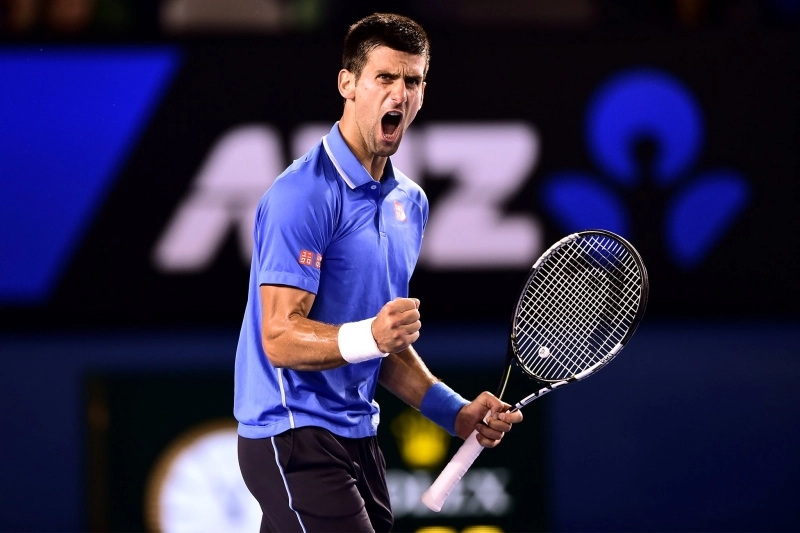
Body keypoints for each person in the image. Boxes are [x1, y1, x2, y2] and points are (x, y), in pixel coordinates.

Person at [234, 12, 523, 533]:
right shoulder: (301, 195)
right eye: (384, 78)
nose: (400, 94)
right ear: (347, 83)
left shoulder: (410, 203)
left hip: (357, 437)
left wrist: (454, 413)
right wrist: (371, 333)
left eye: (412, 81)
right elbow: (278, 337)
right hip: (292, 433)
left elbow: (382, 347)